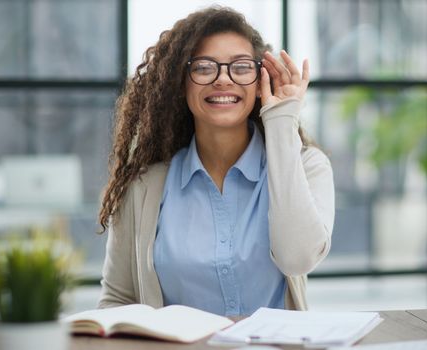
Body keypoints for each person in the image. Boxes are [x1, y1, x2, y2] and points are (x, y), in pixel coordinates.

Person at [97, 6, 335, 316]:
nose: (223, 80)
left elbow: (297, 259)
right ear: (182, 82)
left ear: (261, 80)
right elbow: (117, 300)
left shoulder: (308, 167)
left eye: (241, 67)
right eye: (204, 67)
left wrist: (281, 119)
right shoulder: (143, 187)